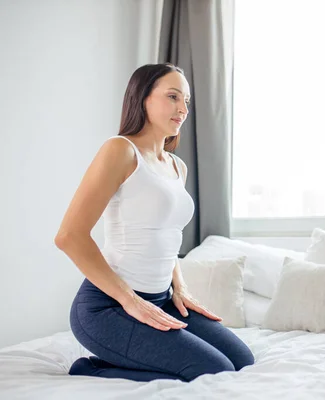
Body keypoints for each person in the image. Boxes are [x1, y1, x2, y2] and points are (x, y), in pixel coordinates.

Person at [54, 63, 254, 382]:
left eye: (186, 100)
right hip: (107, 307)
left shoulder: (177, 166)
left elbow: (166, 234)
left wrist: (180, 286)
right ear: (143, 98)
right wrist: (130, 300)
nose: (182, 108)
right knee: (214, 370)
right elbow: (69, 236)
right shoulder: (120, 150)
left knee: (242, 361)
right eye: (172, 96)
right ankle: (90, 369)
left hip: (161, 299)